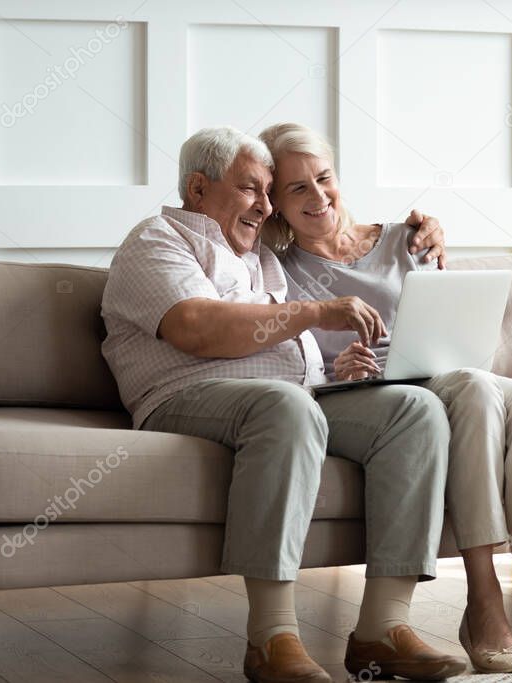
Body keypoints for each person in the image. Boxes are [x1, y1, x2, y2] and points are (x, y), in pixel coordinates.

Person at [101, 125, 468, 682]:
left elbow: (332, 232)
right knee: (285, 407)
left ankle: (381, 631)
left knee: (414, 410)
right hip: (185, 398)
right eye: (251, 189)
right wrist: (315, 313)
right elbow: (195, 327)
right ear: (198, 189)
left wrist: (336, 370)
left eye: (270, 192)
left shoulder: (263, 260)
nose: (266, 206)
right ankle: (272, 639)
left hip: (293, 397)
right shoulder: (158, 241)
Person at [258, 122, 512, 674]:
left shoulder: (406, 237)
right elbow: (292, 358)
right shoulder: (276, 268)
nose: (318, 197)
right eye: (296, 188)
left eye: (324, 178)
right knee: (473, 390)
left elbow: (446, 318)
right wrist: (335, 367)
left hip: (441, 375)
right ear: (274, 201)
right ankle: (483, 597)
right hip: (374, 397)